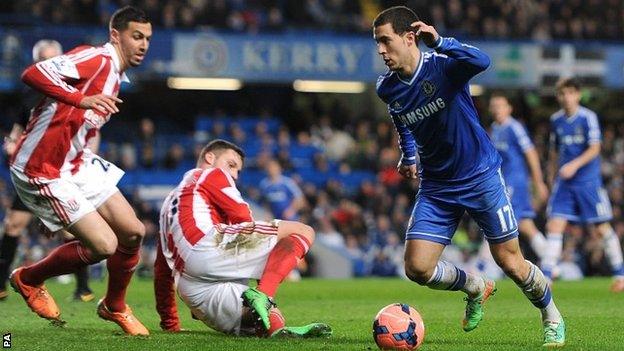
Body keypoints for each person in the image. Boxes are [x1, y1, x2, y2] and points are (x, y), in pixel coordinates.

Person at [372, 6, 564, 347]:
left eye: (386, 41)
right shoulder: (387, 88)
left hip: (480, 177)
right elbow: (402, 120)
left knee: (511, 262)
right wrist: (409, 153)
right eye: (377, 43)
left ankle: (551, 314)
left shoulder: (443, 67)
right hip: (437, 186)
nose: (381, 50)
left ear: (409, 37)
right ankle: (475, 286)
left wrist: (442, 41)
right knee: (417, 268)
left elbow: (482, 61)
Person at [8, 6, 152, 335]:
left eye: (146, 38)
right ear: (116, 35)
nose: (143, 44)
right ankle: (28, 279)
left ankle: (114, 306)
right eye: (136, 36)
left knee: (133, 231)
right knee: (104, 245)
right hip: (41, 168)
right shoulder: (97, 59)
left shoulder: (116, 75)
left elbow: (81, 126)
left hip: (74, 163)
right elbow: (32, 74)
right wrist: (79, 99)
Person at [153, 139, 332, 337]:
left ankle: (274, 330)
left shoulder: (169, 203)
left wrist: (170, 323)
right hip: (208, 247)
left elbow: (162, 268)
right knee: (303, 231)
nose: (234, 175)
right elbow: (242, 216)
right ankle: (264, 295)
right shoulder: (209, 173)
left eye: (238, 171)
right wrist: (265, 274)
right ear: (210, 157)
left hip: (190, 285)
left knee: (268, 318)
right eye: (231, 165)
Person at [0, 39, 95, 303]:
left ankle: (83, 288)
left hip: (62, 168)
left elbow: (88, 129)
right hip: (34, 168)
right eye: (47, 60)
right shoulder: (30, 94)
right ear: (36, 63)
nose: (54, 65)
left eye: (57, 59)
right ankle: (1, 284)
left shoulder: (76, 91)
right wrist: (10, 143)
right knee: (13, 224)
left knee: (72, 229)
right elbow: (18, 128)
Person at [541, 77, 624, 292]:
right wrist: (551, 178)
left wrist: (574, 165)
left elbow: (595, 148)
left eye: (570, 93)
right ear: (558, 96)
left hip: (588, 182)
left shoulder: (588, 118)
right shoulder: (556, 120)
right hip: (565, 184)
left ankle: (620, 274)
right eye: (562, 94)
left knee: (601, 227)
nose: (566, 98)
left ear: (577, 95)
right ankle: (548, 275)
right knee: (554, 224)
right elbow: (554, 152)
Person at [489, 94, 549, 262]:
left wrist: (538, 183)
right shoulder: (495, 129)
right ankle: (550, 260)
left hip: (516, 182)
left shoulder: (514, 127)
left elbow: (531, 153)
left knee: (497, 218)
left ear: (509, 109)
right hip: (504, 182)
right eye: (494, 106)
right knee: (524, 224)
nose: (497, 109)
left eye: (500, 105)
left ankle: (483, 264)